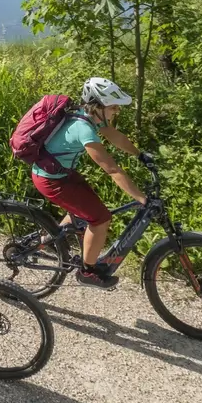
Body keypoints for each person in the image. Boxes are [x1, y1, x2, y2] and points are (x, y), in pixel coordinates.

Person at [31, 77, 149, 288]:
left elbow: (116, 137)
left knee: (85, 208)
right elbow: (111, 169)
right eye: (113, 107)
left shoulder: (89, 117)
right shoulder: (83, 128)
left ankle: (45, 241)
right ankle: (87, 271)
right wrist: (142, 198)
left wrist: (140, 155)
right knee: (101, 219)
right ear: (98, 106)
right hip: (51, 180)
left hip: (61, 174)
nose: (117, 111)